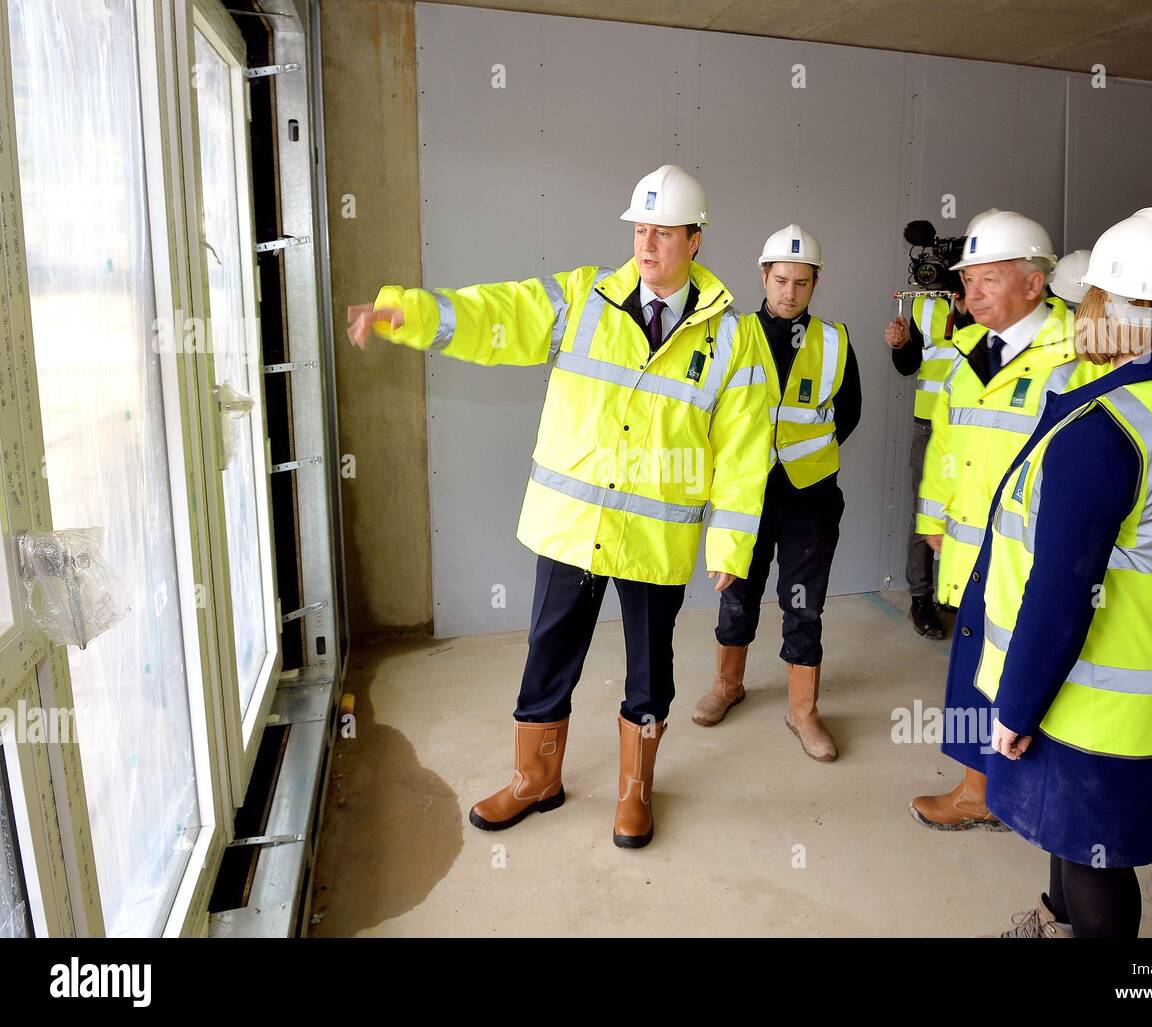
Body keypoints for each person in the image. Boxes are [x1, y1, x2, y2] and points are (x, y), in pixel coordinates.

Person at [345, 165, 773, 848]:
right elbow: (498, 314)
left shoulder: (735, 337)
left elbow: (746, 450)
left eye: (663, 233)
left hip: (655, 538)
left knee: (649, 668)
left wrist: (730, 545)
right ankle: (535, 779)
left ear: (696, 241)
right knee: (548, 653)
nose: (647, 244)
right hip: (573, 525)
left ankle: (636, 791)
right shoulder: (584, 297)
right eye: (640, 230)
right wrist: (413, 315)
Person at [936, 207, 1152, 937]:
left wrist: (1015, 705)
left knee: (1092, 857)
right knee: (1071, 835)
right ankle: (1054, 924)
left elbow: (1063, 587)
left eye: (1091, 299)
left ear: (1112, 305)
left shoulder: (1106, 429)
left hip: (1093, 693)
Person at [909, 210, 1109, 831]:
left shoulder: (1078, 352)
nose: (970, 293)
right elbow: (946, 444)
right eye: (967, 280)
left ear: (1033, 282)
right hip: (972, 545)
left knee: (1034, 667)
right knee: (975, 666)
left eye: (988, 279)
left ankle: (1031, 794)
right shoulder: (966, 351)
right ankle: (979, 788)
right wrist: (932, 518)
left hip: (1038, 552)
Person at [692, 225, 861, 762]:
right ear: (763, 276)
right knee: (737, 592)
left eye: (802, 283)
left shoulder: (834, 340)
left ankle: (803, 710)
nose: (790, 292)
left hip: (809, 496)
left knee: (803, 603)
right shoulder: (732, 334)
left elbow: (847, 414)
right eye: (781, 280)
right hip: (746, 494)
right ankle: (727, 686)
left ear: (815, 284)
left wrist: (797, 455)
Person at [883, 209, 999, 638]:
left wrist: (967, 310)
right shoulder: (922, 306)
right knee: (925, 511)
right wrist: (899, 345)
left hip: (985, 424)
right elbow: (909, 365)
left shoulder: (992, 304)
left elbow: (990, 355)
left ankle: (966, 594)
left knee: (982, 510)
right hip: (929, 426)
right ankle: (921, 598)